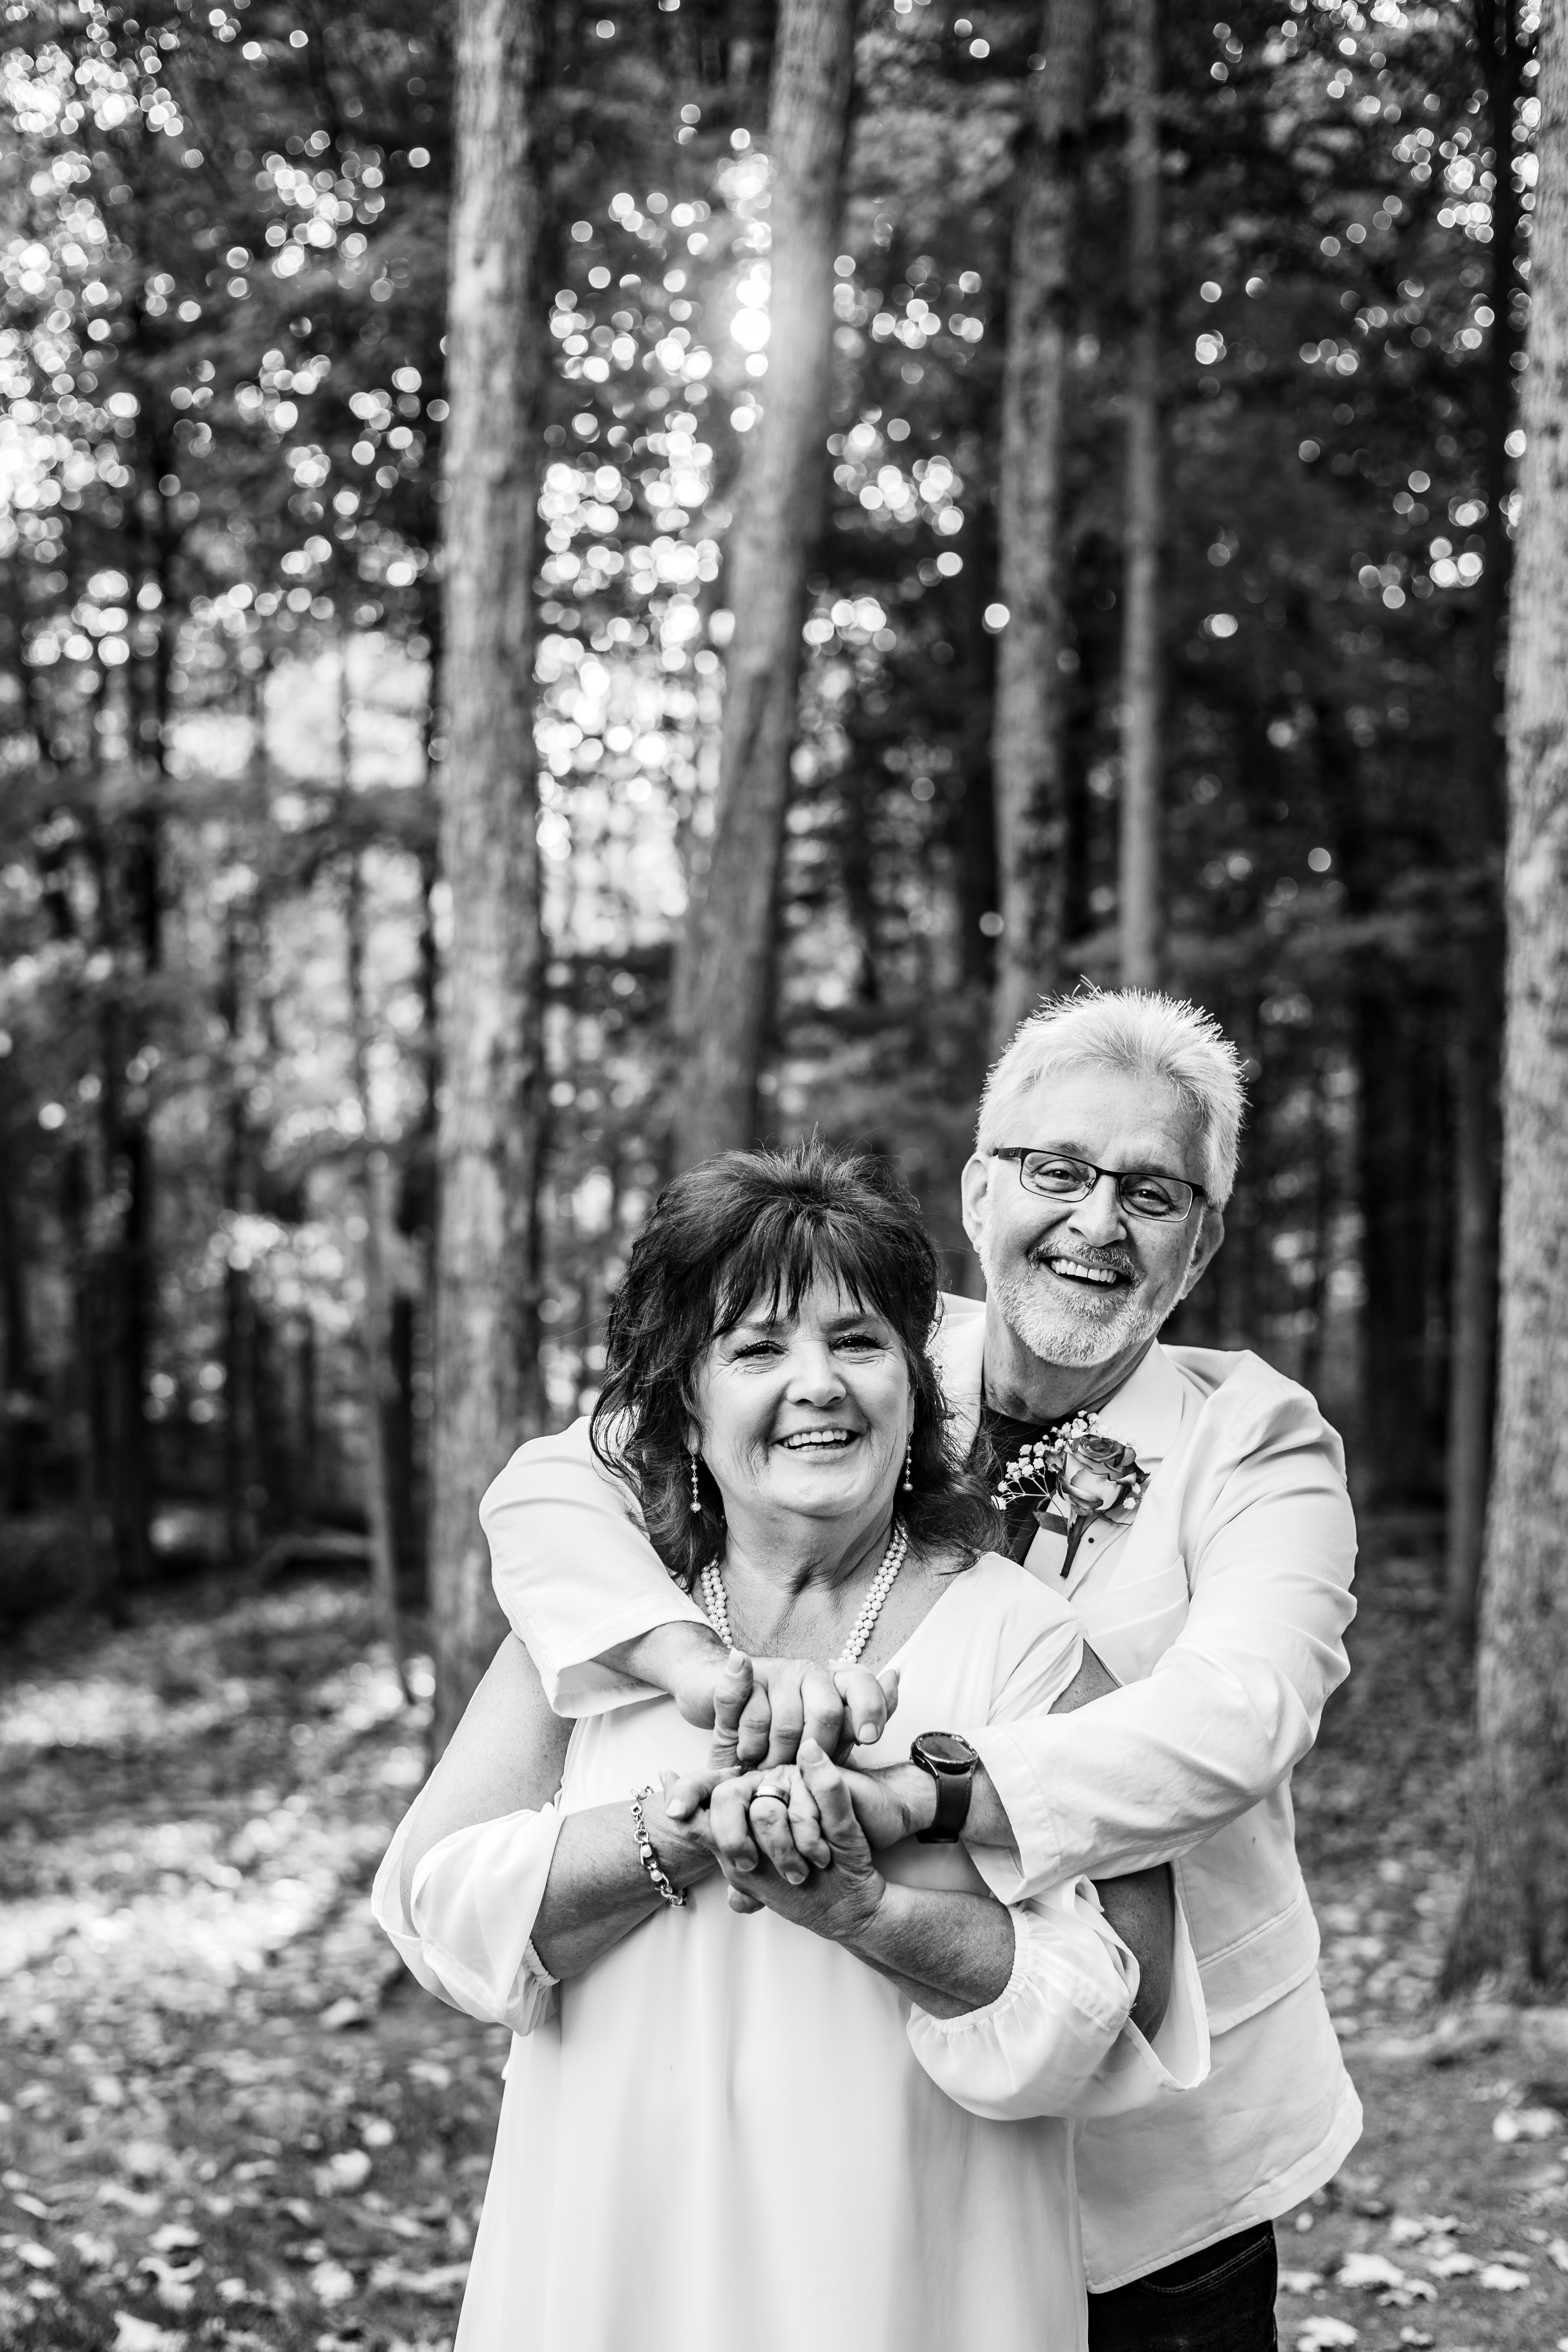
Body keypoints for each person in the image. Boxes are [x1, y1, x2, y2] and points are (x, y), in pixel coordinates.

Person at [482, 988, 1362, 2352]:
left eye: (1150, 1189)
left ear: (1200, 1239)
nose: (1094, 1221)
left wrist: (922, 1793)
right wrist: (694, 1661)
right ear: (979, 1185)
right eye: (1057, 1170)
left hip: (1156, 2142)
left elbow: (1239, 1713)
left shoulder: (1254, 1440)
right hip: (878, 2115)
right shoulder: (864, 1343)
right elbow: (557, 1481)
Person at [373, 1143, 1207, 2352]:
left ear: (914, 1386)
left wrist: (864, 1914)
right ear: (682, 1403)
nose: (816, 1383)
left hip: (916, 2276)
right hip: (614, 2259)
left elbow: (1111, 2017)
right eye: (758, 1349)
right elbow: (435, 1911)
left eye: (857, 1342)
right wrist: (681, 1829)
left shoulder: (1025, 1640)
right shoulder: (604, 1619)